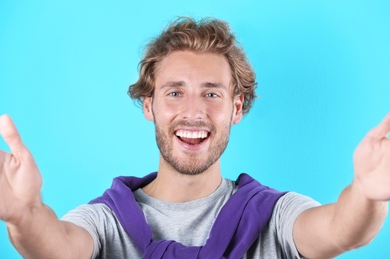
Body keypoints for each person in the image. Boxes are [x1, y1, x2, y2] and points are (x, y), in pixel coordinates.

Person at [0, 17, 389, 259]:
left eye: (211, 93)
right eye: (174, 92)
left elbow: (340, 229)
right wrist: (24, 216)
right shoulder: (106, 222)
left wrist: (367, 195)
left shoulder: (273, 215)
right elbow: (58, 248)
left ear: (236, 108)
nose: (193, 111)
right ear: (148, 106)